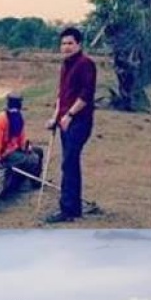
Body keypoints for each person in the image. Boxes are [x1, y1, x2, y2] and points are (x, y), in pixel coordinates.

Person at [45, 27, 97, 223]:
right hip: (65, 120)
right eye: (63, 43)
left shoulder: (86, 64)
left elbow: (86, 94)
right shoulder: (65, 65)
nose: (66, 47)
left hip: (79, 122)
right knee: (70, 163)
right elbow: (62, 95)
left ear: (79, 44)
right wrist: (55, 117)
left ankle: (67, 209)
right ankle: (73, 207)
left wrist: (70, 114)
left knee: (69, 162)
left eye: (70, 43)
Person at [0, 93, 43, 190]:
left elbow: (21, 136)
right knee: (32, 159)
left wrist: (26, 147)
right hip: (4, 153)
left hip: (15, 148)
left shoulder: (17, 116)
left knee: (38, 151)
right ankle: (32, 183)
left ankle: (33, 179)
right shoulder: (0, 119)